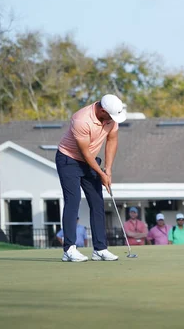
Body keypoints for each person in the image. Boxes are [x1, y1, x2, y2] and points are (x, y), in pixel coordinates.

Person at [55, 94, 126, 262]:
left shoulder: (110, 119)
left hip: (90, 160)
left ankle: (100, 249)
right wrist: (100, 174)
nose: (112, 120)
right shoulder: (81, 119)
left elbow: (112, 140)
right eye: (110, 116)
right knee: (73, 201)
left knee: (97, 203)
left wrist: (108, 169)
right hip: (69, 160)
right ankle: (69, 249)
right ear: (102, 111)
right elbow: (84, 153)